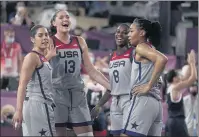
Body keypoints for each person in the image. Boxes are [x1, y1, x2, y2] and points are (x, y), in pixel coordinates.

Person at [47, 10, 110, 137]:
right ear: (54, 23)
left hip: (77, 95)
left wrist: (111, 86)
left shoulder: (79, 41)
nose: (65, 19)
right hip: (57, 94)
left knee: (87, 135)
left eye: (67, 17)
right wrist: (48, 56)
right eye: (61, 17)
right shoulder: (49, 42)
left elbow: (91, 70)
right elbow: (37, 66)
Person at [122, 18, 168, 136]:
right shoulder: (151, 48)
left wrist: (148, 86)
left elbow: (162, 59)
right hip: (156, 104)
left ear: (142, 33)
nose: (128, 35)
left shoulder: (141, 47)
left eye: (131, 31)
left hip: (143, 100)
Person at [12, 24, 57, 136]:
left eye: (46, 35)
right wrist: (18, 110)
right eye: (40, 35)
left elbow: (39, 70)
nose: (45, 38)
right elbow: (22, 85)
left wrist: (49, 57)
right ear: (32, 39)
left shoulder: (40, 57)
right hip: (39, 105)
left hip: (34, 105)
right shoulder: (32, 57)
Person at [91, 23, 134, 136]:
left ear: (129, 36)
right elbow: (111, 87)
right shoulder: (112, 56)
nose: (120, 35)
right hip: (115, 102)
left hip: (129, 100)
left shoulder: (133, 53)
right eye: (118, 32)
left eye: (124, 33)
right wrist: (99, 105)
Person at [164, 50, 197, 137]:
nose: (180, 77)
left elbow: (185, 77)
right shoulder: (175, 87)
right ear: (174, 78)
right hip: (177, 122)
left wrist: (189, 64)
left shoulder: (171, 87)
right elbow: (193, 78)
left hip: (171, 121)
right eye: (178, 76)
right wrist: (193, 63)